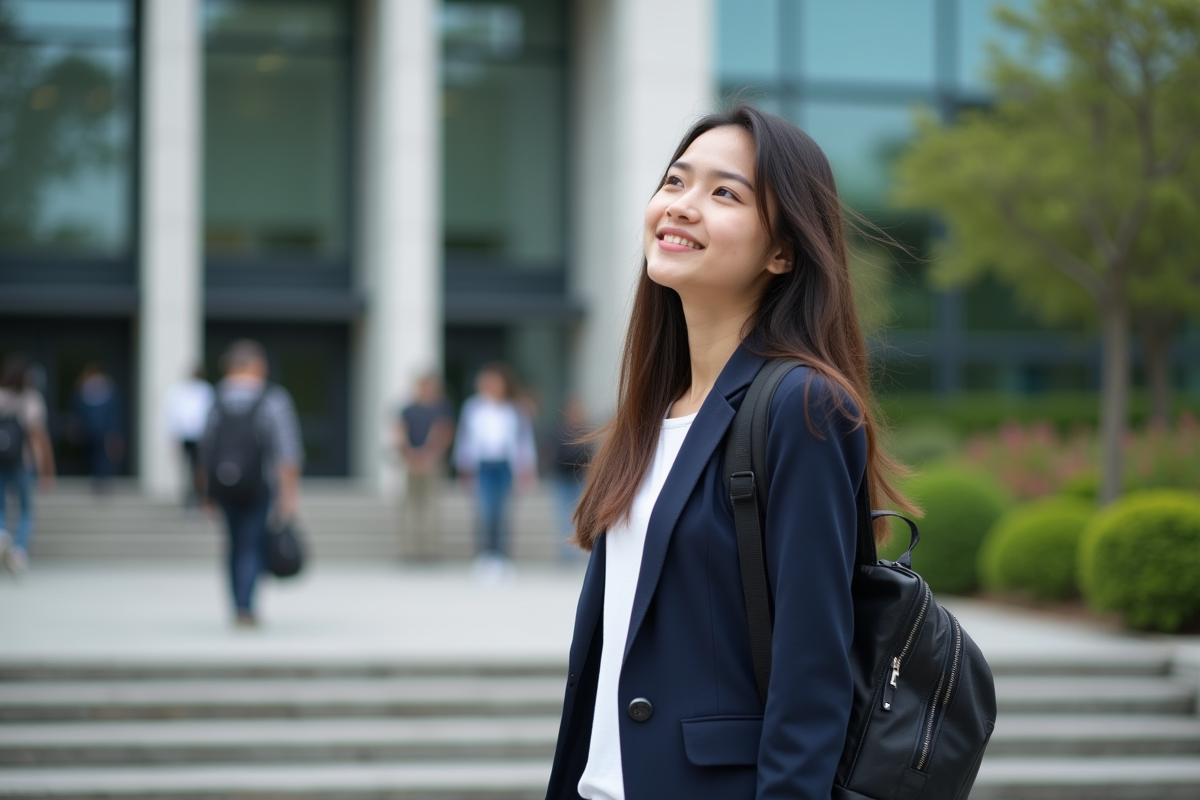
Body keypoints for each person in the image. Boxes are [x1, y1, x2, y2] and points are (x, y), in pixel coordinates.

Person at [544, 106, 916, 800]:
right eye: (676, 182)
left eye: (725, 193)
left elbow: (812, 675)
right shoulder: (652, 415)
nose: (681, 206)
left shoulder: (803, 407)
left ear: (782, 251)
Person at [199, 340, 303, 628]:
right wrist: (290, 494)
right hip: (260, 486)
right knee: (252, 543)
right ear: (257, 366)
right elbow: (288, 452)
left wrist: (204, 490)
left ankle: (237, 603)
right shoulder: (272, 398)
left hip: (224, 484)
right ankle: (246, 607)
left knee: (233, 544)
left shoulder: (216, 398)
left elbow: (205, 449)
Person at [452, 363, 536, 582]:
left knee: (503, 512)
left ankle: (502, 558)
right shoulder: (472, 407)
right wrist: (463, 467)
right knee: (485, 511)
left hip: (505, 465)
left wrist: (527, 468)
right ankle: (485, 556)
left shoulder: (514, 409)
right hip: (483, 465)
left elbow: (523, 441)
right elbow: (465, 439)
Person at [0, 354, 56, 575]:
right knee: (25, 509)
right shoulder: (31, 400)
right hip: (23, 461)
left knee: (1, 505)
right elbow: (39, 437)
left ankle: (3, 534)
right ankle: (19, 552)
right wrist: (47, 469)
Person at [395, 372, 455, 560]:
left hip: (432, 463)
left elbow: (443, 433)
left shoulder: (441, 408)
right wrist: (409, 456)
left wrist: (429, 457)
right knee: (409, 505)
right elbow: (400, 432)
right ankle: (409, 548)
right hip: (411, 463)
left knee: (430, 505)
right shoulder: (408, 409)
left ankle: (430, 549)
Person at [165, 366, 214, 510]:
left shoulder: (205, 391)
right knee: (190, 469)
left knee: (197, 469)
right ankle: (190, 501)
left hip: (199, 436)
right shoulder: (182, 391)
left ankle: (198, 499)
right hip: (188, 435)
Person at [549, 396, 592, 563]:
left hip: (578, 478)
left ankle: (573, 551)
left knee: (576, 516)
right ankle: (566, 554)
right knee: (562, 516)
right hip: (562, 478)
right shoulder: (559, 430)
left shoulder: (584, 431)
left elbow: (589, 455)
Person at [70, 362, 123, 492]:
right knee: (93, 454)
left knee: (102, 455)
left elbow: (113, 413)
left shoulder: (107, 389)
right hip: (89, 430)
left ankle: (102, 480)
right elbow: (77, 411)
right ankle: (96, 479)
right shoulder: (82, 389)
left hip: (102, 430)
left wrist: (114, 432)